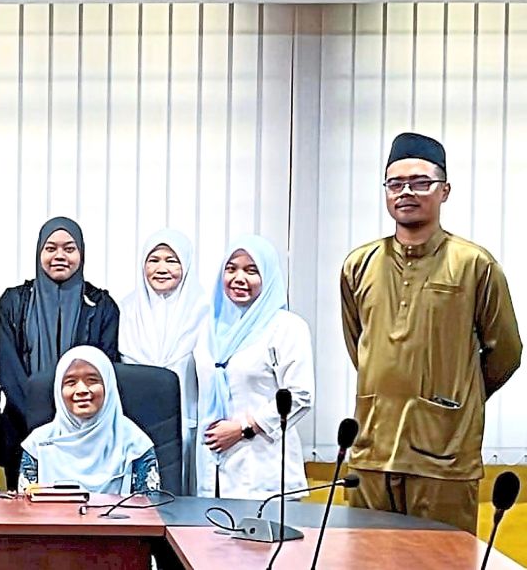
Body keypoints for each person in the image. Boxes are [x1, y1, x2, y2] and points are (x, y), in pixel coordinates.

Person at [340, 132, 521, 533]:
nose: (406, 192)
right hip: (372, 452)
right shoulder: (359, 265)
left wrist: (455, 399)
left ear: (444, 191)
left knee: (442, 563)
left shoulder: (474, 265)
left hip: (444, 458)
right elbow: (360, 346)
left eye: (421, 182)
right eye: (395, 183)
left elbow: (506, 352)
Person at [0, 217, 121, 488]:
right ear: (39, 253)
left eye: (69, 248)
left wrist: (72, 414)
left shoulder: (102, 305)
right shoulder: (14, 301)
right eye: (50, 248)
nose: (59, 256)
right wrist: (35, 415)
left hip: (84, 428)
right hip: (22, 426)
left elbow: (105, 367)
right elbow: (8, 366)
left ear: (81, 254)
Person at [194, 236, 314, 500]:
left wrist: (244, 428)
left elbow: (300, 396)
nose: (239, 278)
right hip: (211, 468)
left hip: (264, 468)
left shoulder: (287, 327)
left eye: (251, 271)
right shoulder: (207, 327)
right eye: (231, 268)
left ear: (269, 277)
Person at [118, 229, 208, 494]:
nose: (161, 268)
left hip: (188, 420)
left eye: (172, 260)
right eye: (153, 259)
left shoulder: (206, 311)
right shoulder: (125, 309)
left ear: (187, 264)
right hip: (135, 420)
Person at [20, 346, 159, 494]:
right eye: (71, 382)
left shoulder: (135, 443)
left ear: (108, 386)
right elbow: (25, 508)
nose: (81, 390)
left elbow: (150, 508)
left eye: (92, 380)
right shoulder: (38, 444)